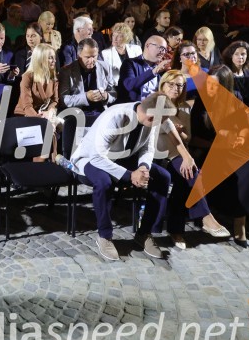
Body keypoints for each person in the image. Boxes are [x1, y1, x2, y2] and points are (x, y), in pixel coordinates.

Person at [70, 93, 173, 261]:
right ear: (151, 116)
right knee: (104, 182)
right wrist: (130, 175)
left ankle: (144, 233)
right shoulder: (115, 117)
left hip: (124, 157)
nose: (162, 124)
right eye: (162, 120)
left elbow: (147, 148)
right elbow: (97, 157)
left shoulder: (152, 116)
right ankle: (104, 236)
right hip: (90, 158)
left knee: (163, 177)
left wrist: (143, 167)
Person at [189, 65, 249, 247]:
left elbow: (244, 126)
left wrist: (241, 137)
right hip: (209, 150)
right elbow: (194, 139)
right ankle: (240, 221)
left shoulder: (235, 97)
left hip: (232, 147)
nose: (210, 88)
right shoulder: (201, 101)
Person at [156, 70, 229, 249]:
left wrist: (181, 132)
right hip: (158, 154)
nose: (176, 88)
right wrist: (173, 130)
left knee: (187, 175)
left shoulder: (185, 108)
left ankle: (176, 231)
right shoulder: (156, 103)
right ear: (163, 84)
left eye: (180, 85)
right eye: (172, 84)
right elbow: (153, 134)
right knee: (189, 173)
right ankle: (205, 218)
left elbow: (188, 138)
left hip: (179, 153)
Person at [58, 38, 115, 117]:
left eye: (94, 56)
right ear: (78, 56)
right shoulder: (66, 71)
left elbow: (113, 93)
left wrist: (106, 96)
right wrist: (86, 97)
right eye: (88, 57)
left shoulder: (105, 67)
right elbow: (64, 100)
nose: (91, 61)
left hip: (101, 112)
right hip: (78, 114)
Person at [117, 35, 171, 103]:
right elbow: (129, 85)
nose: (163, 52)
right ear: (148, 45)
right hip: (132, 106)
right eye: (161, 48)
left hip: (154, 106)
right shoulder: (130, 63)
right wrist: (154, 71)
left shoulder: (162, 70)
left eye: (165, 49)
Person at [101, 22, 142, 87]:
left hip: (135, 84)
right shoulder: (105, 53)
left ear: (126, 37)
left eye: (118, 36)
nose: (114, 39)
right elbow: (106, 76)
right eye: (113, 35)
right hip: (116, 86)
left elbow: (140, 70)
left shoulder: (136, 49)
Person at [222, 40, 249, 105]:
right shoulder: (225, 75)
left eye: (243, 54)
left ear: (247, 56)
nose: (240, 57)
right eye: (236, 54)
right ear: (231, 55)